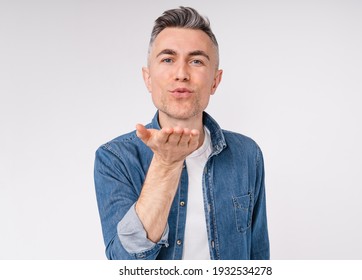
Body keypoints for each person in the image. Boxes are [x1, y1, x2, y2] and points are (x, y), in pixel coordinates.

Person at [94, 6, 270, 260]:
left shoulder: (247, 154)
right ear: (148, 78)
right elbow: (124, 263)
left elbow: (258, 255)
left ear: (215, 81)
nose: (181, 74)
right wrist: (166, 164)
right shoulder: (115, 158)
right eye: (167, 59)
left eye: (196, 61)